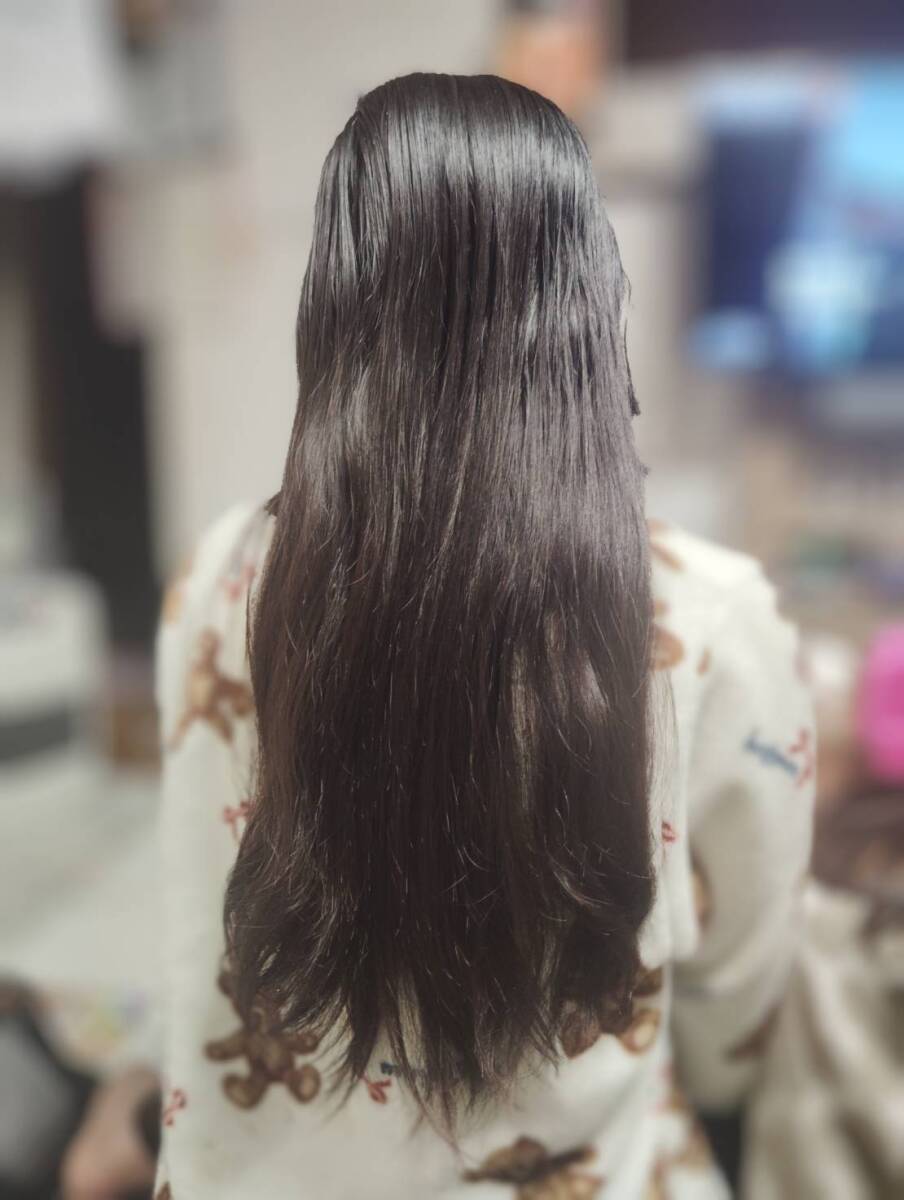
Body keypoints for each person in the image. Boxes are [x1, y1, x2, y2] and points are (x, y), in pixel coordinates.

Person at [73, 74, 816, 1199]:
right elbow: (739, 1010)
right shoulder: (714, 615)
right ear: (589, 295)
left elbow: (201, 924)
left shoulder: (218, 574)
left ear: (337, 298)